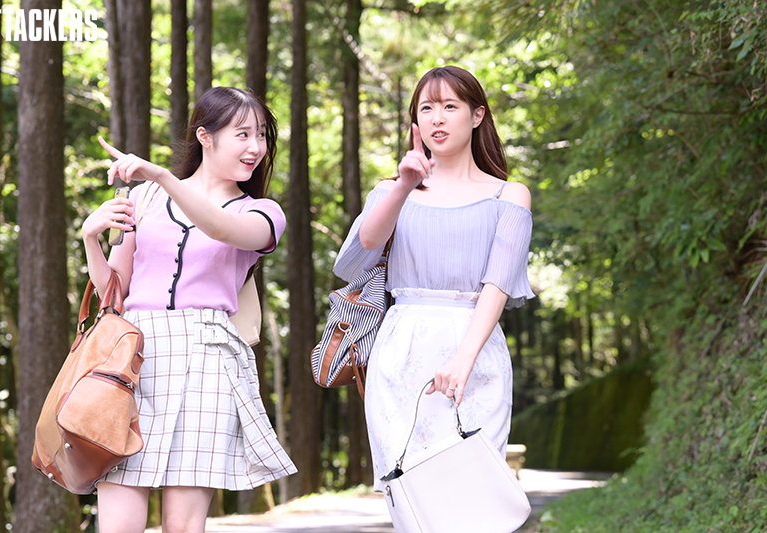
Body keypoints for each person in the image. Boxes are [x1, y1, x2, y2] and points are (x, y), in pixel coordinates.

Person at [81, 87, 296, 533]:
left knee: (183, 526)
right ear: (205, 136)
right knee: (119, 524)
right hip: (132, 359)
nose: (255, 147)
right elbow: (114, 291)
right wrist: (90, 239)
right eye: (243, 134)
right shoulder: (144, 200)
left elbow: (222, 228)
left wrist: (162, 176)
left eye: (261, 135)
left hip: (207, 360)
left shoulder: (264, 212)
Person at [333, 66, 535, 498]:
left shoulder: (509, 195)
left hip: (475, 348)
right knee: (413, 496)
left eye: (449, 106)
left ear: (477, 115)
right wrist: (405, 185)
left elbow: (498, 285)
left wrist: (463, 359)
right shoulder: (392, 191)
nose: (437, 118)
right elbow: (366, 245)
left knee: (476, 494)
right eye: (426, 108)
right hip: (401, 350)